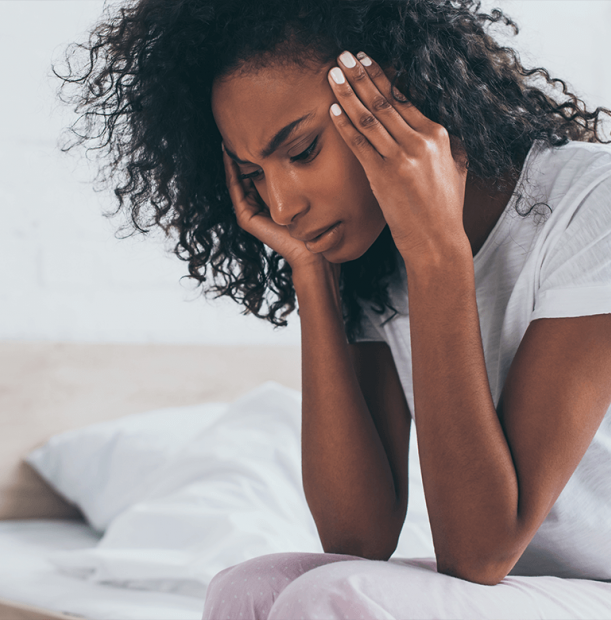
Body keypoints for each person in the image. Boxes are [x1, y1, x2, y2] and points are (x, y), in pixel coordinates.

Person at [58, 0, 611, 617]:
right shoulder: (375, 260)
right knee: (245, 588)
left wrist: (436, 253)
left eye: (299, 152)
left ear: (397, 98)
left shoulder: (593, 206)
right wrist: (313, 275)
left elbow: (480, 552)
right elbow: (357, 536)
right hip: (543, 587)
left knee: (335, 596)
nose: (283, 203)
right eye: (253, 175)